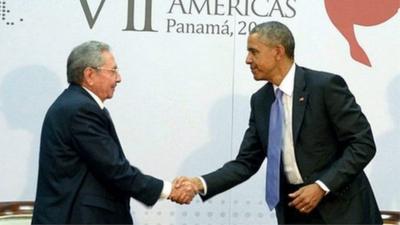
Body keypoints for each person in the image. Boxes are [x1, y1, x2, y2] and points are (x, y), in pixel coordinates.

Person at [176, 21, 382, 224]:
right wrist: (198, 183)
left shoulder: (325, 87)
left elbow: (363, 144)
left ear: (278, 51)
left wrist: (321, 186)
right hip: (295, 213)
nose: (248, 60)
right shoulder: (261, 101)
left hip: (343, 212)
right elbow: (245, 163)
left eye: (254, 52)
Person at [31, 41, 196, 224]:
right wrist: (168, 190)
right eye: (113, 71)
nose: (119, 78)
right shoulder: (80, 110)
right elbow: (114, 169)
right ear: (90, 74)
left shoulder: (75, 104)